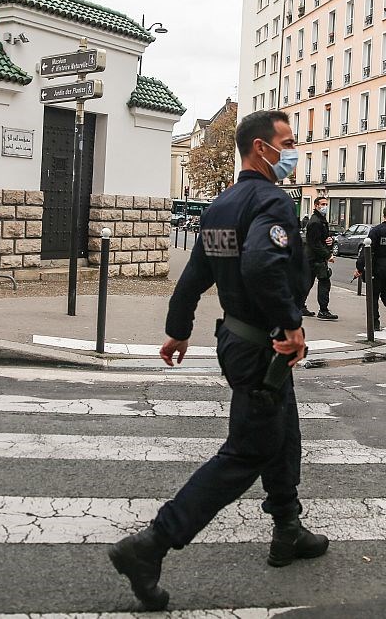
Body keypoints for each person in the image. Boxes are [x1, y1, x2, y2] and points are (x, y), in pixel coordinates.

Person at [108, 110, 326, 611]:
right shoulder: (271, 200)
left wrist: (177, 330)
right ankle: (151, 545)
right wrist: (292, 321)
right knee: (246, 452)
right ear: (259, 149)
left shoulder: (221, 206)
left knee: (283, 428)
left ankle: (287, 526)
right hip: (262, 344)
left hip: (237, 339)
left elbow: (195, 275)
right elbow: (260, 261)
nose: (293, 152)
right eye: (287, 143)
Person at [304, 196, 338, 320]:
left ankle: (300, 306)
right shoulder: (315, 222)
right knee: (324, 282)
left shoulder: (320, 220)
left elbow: (321, 238)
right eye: (322, 204)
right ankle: (323, 310)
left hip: (313, 257)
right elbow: (315, 243)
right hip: (316, 258)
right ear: (316, 205)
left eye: (326, 204)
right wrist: (328, 255)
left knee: (308, 282)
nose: (325, 207)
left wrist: (330, 240)